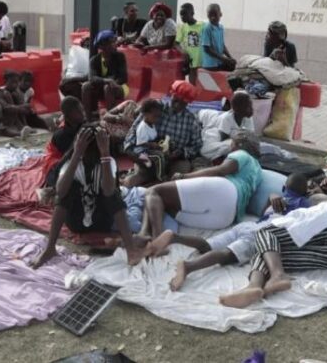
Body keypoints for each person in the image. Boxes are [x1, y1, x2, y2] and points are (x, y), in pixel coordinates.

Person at [148, 173, 309, 291]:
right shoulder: (304, 203)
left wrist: (273, 196)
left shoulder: (275, 200)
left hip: (248, 225)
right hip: (261, 234)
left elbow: (262, 214)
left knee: (207, 246)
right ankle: (188, 267)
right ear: (305, 193)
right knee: (226, 255)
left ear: (284, 188)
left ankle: (175, 237)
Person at [33, 124, 143, 268]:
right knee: (68, 191)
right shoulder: (71, 162)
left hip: (102, 220)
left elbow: (109, 191)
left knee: (114, 194)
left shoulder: (108, 162)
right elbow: (60, 191)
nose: (89, 156)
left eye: (93, 151)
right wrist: (76, 155)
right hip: (76, 221)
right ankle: (50, 248)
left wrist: (105, 154)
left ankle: (131, 250)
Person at [219, 200, 327, 308]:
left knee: (264, 232)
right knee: (267, 253)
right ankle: (254, 287)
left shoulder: (315, 199)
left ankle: (277, 275)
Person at [142, 130, 262, 238]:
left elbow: (220, 171)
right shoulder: (258, 170)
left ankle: (154, 237)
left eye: (232, 142)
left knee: (154, 191)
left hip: (224, 190)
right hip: (228, 217)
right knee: (165, 205)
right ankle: (148, 236)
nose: (230, 145)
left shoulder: (242, 154)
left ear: (239, 144)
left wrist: (184, 176)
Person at [122, 81, 203, 185]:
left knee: (176, 179)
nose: (177, 105)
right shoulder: (154, 108)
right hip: (151, 155)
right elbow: (134, 129)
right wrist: (130, 149)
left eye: (182, 103)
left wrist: (182, 152)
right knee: (138, 177)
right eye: (175, 100)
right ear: (171, 94)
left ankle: (161, 185)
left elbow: (197, 145)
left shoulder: (191, 120)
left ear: (187, 103)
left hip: (176, 159)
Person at [83, 30, 128, 118]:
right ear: (102, 46)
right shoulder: (94, 60)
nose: (114, 44)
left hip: (120, 87)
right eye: (111, 42)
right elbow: (92, 78)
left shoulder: (120, 57)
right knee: (85, 86)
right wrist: (106, 80)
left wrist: (113, 83)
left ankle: (110, 118)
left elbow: (123, 78)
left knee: (108, 87)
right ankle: (89, 118)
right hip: (103, 86)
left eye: (114, 41)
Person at [0, 70, 49, 135]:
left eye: (16, 82)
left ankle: (23, 127)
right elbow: (6, 108)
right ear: (5, 82)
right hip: (2, 118)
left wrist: (27, 109)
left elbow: (22, 106)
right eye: (13, 82)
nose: (15, 85)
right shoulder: (1, 92)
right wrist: (22, 107)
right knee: (4, 129)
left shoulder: (16, 92)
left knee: (33, 116)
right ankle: (19, 133)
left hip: (15, 117)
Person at [201, 3, 236, 72]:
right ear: (207, 16)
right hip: (210, 64)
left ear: (220, 14)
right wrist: (223, 59)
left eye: (215, 15)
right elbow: (207, 49)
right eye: (210, 15)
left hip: (219, 61)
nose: (213, 17)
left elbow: (222, 45)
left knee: (232, 66)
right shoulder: (207, 28)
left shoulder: (221, 28)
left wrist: (230, 57)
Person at [176, 3, 205, 84]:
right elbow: (176, 43)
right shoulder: (182, 27)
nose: (182, 17)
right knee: (192, 82)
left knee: (203, 82)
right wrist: (183, 52)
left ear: (192, 13)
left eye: (184, 14)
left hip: (202, 59)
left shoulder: (202, 26)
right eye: (181, 14)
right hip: (191, 60)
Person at [131, 99, 164, 169]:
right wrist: (151, 144)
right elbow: (140, 143)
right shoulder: (143, 127)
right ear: (145, 114)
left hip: (150, 147)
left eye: (158, 116)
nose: (157, 119)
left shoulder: (152, 124)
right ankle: (161, 175)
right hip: (142, 150)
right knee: (159, 157)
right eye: (155, 116)